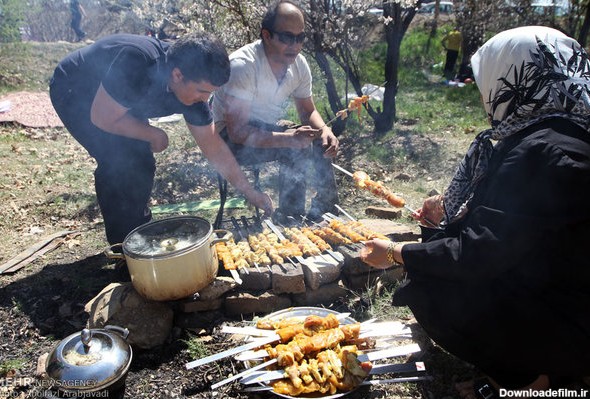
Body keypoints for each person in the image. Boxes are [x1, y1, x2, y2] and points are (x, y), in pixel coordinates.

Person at [361, 26, 590, 397]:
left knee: (427, 290)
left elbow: (479, 253)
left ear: (513, 78)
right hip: (569, 297)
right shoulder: (567, 132)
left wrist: (395, 252)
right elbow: (509, 231)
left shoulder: (542, 152)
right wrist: (438, 227)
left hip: (572, 319)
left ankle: (530, 381)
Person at [49, 32, 273, 246]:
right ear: (177, 75)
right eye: (202, 91)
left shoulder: (192, 92)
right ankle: (124, 246)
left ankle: (137, 234)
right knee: (122, 159)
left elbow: (214, 146)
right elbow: (102, 116)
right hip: (76, 90)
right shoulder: (137, 62)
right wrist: (155, 134)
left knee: (139, 158)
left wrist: (249, 192)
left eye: (210, 93)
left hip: (119, 100)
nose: (205, 100)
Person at [211, 0, 339, 224]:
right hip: (228, 137)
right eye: (287, 37)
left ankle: (325, 207)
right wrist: (289, 138)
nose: (295, 45)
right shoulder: (243, 66)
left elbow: (307, 110)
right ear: (267, 35)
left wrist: (325, 130)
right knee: (295, 143)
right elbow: (238, 132)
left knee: (316, 137)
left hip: (265, 127)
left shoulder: (299, 65)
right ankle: (290, 216)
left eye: (300, 38)